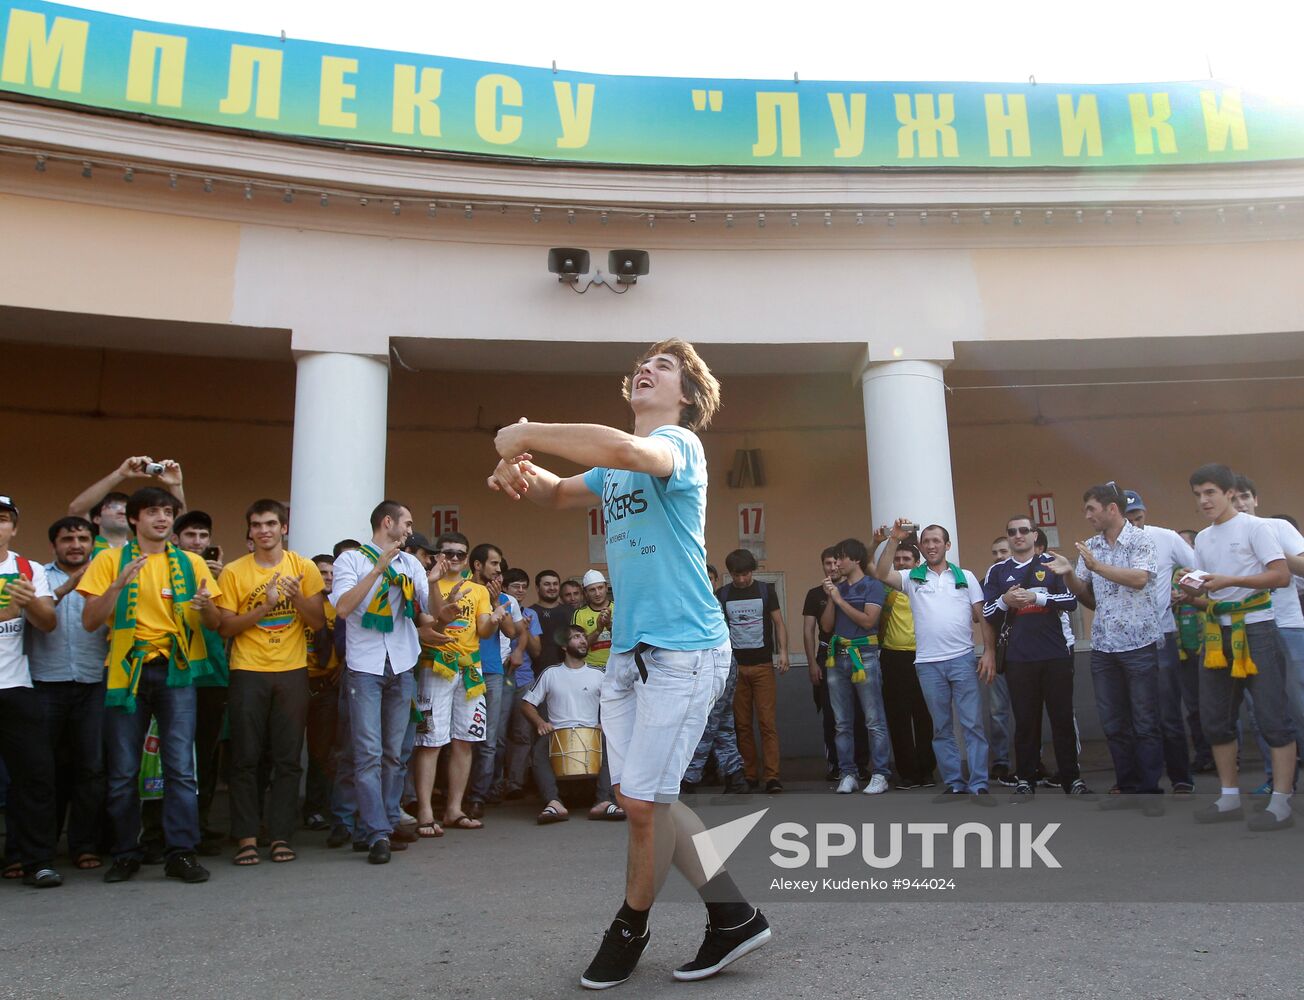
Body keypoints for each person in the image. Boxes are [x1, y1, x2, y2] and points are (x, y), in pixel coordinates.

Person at [487, 338, 769, 988]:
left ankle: (629, 929)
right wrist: (522, 477)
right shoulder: (613, 470)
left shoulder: (679, 447)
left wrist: (527, 430)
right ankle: (734, 917)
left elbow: (622, 449)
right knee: (647, 796)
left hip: (686, 649)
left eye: (663, 366)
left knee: (642, 802)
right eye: (642, 365)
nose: (646, 369)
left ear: (687, 395)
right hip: (631, 655)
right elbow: (559, 493)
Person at [78, 486, 224, 884]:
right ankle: (126, 852)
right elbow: (90, 621)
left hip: (175, 671)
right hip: (127, 670)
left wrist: (206, 604)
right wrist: (116, 586)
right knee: (123, 769)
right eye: (153, 512)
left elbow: (214, 624)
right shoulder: (109, 560)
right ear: (133, 519)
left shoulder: (190, 563)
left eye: (167, 511)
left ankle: (181, 852)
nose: (162, 518)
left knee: (181, 767)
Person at [215, 499, 326, 866]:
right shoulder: (233, 571)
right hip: (247, 670)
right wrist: (265, 606)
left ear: (284, 528)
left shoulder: (303, 568)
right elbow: (225, 626)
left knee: (288, 758)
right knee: (245, 757)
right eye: (257, 524)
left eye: (271, 523)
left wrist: (295, 598)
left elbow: (318, 623)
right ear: (249, 531)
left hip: (292, 670)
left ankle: (280, 835)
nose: (264, 530)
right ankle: (246, 836)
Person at [1185, 464, 1294, 831]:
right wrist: (1189, 593)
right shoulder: (1202, 538)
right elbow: (1205, 589)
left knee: (1272, 719)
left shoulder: (1256, 527)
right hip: (1217, 634)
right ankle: (1229, 796)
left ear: (1230, 493)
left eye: (1210, 492)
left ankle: (1280, 802)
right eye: (1198, 494)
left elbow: (1281, 575)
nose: (1203, 501)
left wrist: (1233, 579)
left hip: (1258, 630)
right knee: (1215, 720)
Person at [1047, 483, 1164, 815]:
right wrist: (1070, 574)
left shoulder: (1141, 540)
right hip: (1104, 645)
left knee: (1144, 721)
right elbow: (1087, 598)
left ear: (1112, 509)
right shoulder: (1093, 546)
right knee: (1113, 722)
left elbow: (1141, 578)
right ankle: (1127, 786)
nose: (1087, 516)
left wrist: (1097, 567)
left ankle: (1150, 792)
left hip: (1139, 643)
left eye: (1091, 510)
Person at [330, 501, 435, 864]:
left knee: (394, 754)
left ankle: (381, 825)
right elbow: (343, 609)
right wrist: (377, 569)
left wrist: (438, 591)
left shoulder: (410, 563)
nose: (410, 529)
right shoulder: (351, 561)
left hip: (402, 662)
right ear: (387, 522)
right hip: (365, 667)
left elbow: (426, 613)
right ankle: (375, 833)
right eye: (407, 523)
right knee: (368, 754)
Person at [874, 519, 996, 804]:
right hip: (927, 663)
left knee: (972, 724)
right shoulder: (911, 577)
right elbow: (881, 573)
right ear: (920, 546)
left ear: (947, 545)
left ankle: (978, 783)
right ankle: (954, 783)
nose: (930, 545)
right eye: (926, 541)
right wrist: (893, 539)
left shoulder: (964, 576)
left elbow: (983, 617)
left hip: (963, 659)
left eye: (936, 541)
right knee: (940, 727)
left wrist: (988, 652)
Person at [982, 514, 1090, 799]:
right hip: (1019, 658)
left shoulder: (1051, 564)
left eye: (1023, 531)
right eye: (1012, 531)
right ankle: (1025, 780)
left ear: (1033, 535)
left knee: (1062, 719)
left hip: (1055, 654)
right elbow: (987, 615)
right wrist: (1005, 600)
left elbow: (1070, 601)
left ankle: (1072, 779)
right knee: (1025, 722)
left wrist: (1037, 598)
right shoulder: (997, 572)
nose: (1018, 535)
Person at [27, 516, 107, 872]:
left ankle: (84, 845)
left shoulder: (105, 576)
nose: (75, 544)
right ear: (54, 545)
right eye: (67, 539)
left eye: (82, 538)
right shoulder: (38, 578)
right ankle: (39, 849)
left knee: (90, 769)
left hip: (93, 683)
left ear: (93, 543)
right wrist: (66, 588)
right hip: (45, 683)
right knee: (44, 771)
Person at [413, 530, 497, 834]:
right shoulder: (422, 583)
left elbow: (484, 631)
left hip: (470, 671)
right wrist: (436, 584)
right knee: (429, 742)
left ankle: (453, 809)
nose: (453, 558)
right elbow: (433, 619)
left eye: (460, 554)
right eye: (447, 552)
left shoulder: (479, 590)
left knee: (466, 741)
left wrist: (496, 618)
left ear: (468, 558)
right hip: (435, 667)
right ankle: (424, 812)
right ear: (437, 555)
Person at [0, 494, 62, 887]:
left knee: (34, 776)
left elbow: (48, 623)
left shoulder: (28, 568)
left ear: (15, 527)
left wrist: (29, 605)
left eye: (4, 518)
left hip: (17, 687)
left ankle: (37, 860)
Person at [1122, 491, 1198, 794]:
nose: (1134, 524)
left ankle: (1181, 777)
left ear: (1145, 513)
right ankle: (1144, 780)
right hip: (1125, 639)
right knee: (1136, 713)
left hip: (1162, 633)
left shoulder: (1165, 537)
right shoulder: (1109, 546)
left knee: (1167, 710)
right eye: (1127, 519)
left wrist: (1186, 592)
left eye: (1138, 518)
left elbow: (1198, 567)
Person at [169, 508, 228, 856]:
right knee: (166, 757)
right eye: (190, 535)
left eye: (203, 536)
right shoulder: (168, 567)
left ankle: (198, 827)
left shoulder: (217, 574)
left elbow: (221, 624)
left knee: (205, 758)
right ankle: (159, 831)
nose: (197, 542)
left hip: (212, 675)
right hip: (172, 674)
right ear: (176, 539)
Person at [521, 625, 618, 824]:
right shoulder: (551, 673)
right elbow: (526, 704)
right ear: (564, 646)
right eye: (576, 637)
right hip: (558, 733)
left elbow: (616, 705)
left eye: (583, 637)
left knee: (613, 743)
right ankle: (553, 802)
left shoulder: (598, 674)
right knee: (539, 748)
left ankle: (604, 801)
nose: (583, 640)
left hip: (592, 732)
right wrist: (540, 722)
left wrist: (604, 724)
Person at [819, 538, 891, 795]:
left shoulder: (872, 586)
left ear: (856, 560)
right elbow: (827, 627)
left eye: (841, 558)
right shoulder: (837, 589)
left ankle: (880, 773)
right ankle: (847, 773)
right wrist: (831, 597)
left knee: (873, 719)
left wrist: (839, 600)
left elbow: (870, 621)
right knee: (841, 722)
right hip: (837, 656)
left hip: (865, 655)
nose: (836, 563)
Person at [719, 548, 788, 793]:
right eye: (736, 575)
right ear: (730, 574)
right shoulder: (723, 594)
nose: (741, 579)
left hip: (762, 665)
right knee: (742, 725)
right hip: (735, 668)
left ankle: (772, 777)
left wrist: (783, 653)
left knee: (767, 722)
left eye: (746, 574)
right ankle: (749, 774)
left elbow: (778, 622)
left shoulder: (765, 590)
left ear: (753, 571)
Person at [803, 547, 868, 781]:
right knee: (832, 715)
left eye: (835, 563)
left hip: (856, 655)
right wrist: (812, 663)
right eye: (827, 564)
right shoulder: (814, 594)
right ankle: (836, 764)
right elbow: (810, 630)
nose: (832, 568)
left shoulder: (854, 589)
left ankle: (861, 764)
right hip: (827, 656)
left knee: (860, 713)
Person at [877, 540, 936, 789]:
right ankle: (907, 773)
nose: (901, 563)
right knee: (898, 718)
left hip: (924, 657)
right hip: (893, 658)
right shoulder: (884, 590)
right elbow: (873, 568)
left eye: (906, 560)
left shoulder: (926, 587)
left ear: (917, 563)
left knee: (925, 716)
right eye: (897, 559)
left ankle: (927, 770)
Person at [466, 543, 519, 818]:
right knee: (460, 739)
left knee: (489, 739)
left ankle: (477, 797)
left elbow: (511, 632)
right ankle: (457, 796)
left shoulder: (501, 597)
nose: (499, 570)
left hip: (493, 671)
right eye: (494, 564)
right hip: (464, 668)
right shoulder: (462, 588)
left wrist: (497, 602)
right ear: (477, 565)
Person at [69, 457, 187, 556]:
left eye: (126, 508)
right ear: (96, 518)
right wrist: (120, 474)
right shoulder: (84, 546)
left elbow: (179, 523)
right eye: (113, 506)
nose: (122, 512)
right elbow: (76, 509)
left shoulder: (143, 548)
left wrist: (176, 485)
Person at [303, 553, 339, 832]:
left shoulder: (340, 609)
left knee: (322, 752)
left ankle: (317, 808)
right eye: (321, 573)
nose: (327, 578)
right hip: (296, 682)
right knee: (286, 751)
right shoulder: (300, 606)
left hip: (327, 686)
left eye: (331, 573)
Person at [574, 569, 615, 669]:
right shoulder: (579, 614)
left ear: (606, 587)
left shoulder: (619, 608)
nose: (597, 593)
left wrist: (609, 625)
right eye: (592, 590)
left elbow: (628, 641)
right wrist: (598, 630)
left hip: (617, 665)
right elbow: (577, 648)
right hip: (592, 667)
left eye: (600, 588)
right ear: (585, 592)